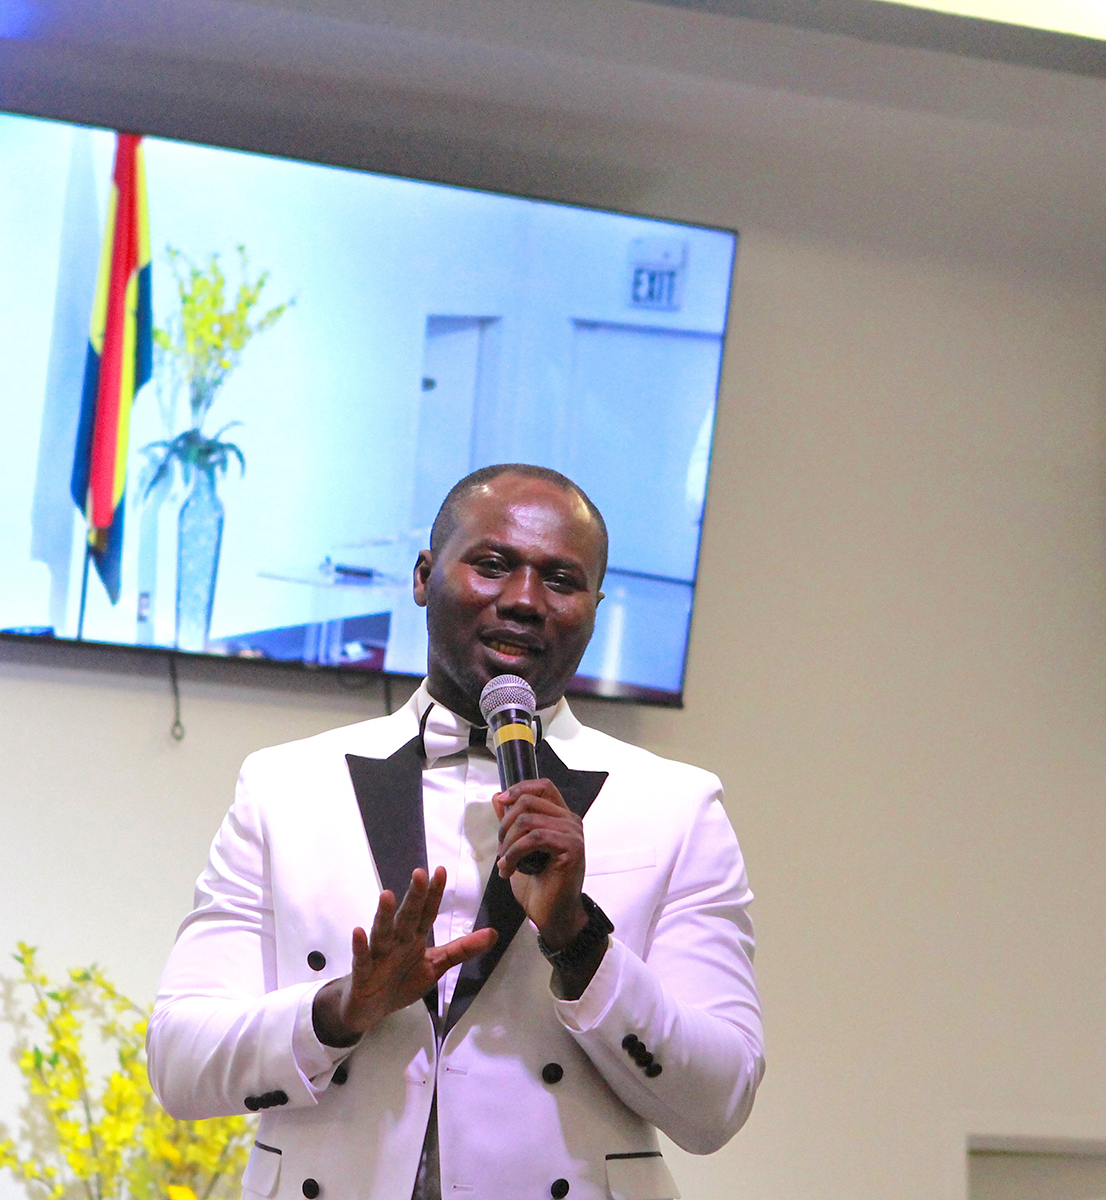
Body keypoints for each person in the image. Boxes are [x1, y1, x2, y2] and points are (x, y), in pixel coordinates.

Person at [148, 465, 763, 1200]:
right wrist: (343, 1010)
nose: (525, 601)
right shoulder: (285, 787)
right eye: (494, 564)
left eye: (561, 580)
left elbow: (718, 1104)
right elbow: (179, 1065)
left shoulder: (676, 807)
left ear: (594, 609)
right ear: (423, 575)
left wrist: (579, 941)